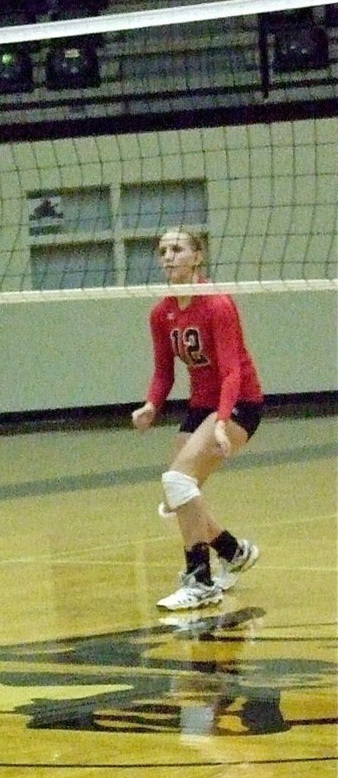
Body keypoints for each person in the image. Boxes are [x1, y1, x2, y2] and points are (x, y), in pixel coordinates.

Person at [131, 227, 263, 611]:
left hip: (240, 401)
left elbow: (232, 371)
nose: (168, 257)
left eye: (177, 249)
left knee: (177, 481)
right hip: (201, 405)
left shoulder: (217, 304)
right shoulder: (162, 313)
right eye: (162, 251)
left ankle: (200, 580)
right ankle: (233, 551)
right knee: (178, 496)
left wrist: (222, 421)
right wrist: (151, 405)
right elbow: (163, 373)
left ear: (197, 257)